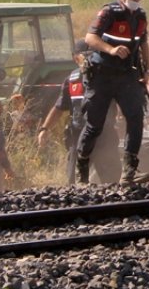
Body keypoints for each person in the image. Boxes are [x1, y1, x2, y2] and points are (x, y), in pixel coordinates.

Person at [76, 0, 149, 185]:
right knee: (95, 125)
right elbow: (90, 38)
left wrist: (147, 70)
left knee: (136, 118)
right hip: (102, 75)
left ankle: (129, 171)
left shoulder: (141, 16)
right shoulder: (109, 12)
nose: (136, 0)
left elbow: (144, 43)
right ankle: (81, 167)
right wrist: (110, 49)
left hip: (127, 76)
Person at [37, 40, 121, 184]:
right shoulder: (71, 80)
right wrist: (45, 129)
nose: (88, 59)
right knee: (75, 181)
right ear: (75, 58)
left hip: (103, 136)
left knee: (111, 181)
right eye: (85, 56)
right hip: (78, 136)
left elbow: (121, 102)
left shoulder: (107, 77)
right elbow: (59, 107)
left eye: (92, 55)